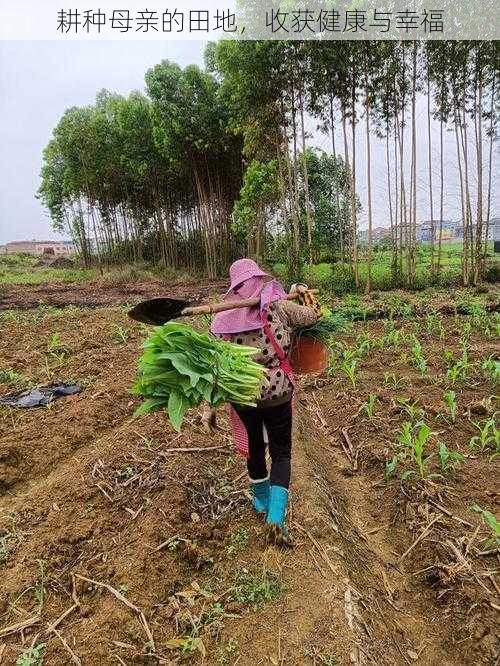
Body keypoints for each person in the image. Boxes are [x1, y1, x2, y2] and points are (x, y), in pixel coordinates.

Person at [209, 258, 319, 546]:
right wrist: (300, 290)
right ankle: (275, 518)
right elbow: (312, 316)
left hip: (243, 396)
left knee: (255, 446)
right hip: (278, 393)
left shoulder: (221, 321)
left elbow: (215, 366)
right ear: (258, 280)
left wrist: (208, 406)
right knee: (281, 452)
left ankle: (260, 502)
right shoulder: (277, 306)